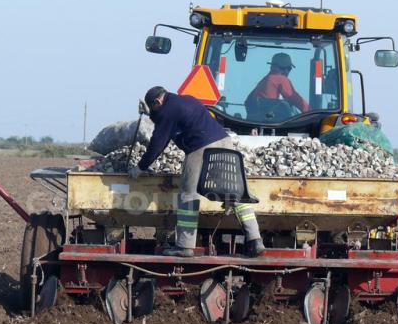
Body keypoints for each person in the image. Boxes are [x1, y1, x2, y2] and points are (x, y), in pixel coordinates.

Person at [128, 86, 264, 258]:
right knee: (236, 193)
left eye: (154, 108)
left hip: (201, 147)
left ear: (157, 102)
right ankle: (255, 239)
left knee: (188, 194)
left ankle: (185, 246)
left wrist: (141, 166)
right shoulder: (185, 100)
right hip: (225, 143)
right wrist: (152, 114)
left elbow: (158, 142)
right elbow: (166, 120)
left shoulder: (169, 109)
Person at [245, 53, 309, 121]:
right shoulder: (280, 79)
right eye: (282, 68)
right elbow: (297, 99)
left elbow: (247, 102)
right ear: (272, 67)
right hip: (273, 122)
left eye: (289, 68)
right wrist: (312, 113)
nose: (286, 71)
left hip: (256, 123)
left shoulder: (264, 81)